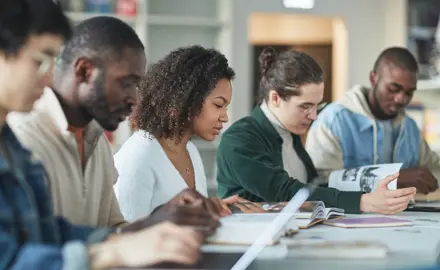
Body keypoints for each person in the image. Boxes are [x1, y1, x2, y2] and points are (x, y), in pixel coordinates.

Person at [0, 0, 204, 269]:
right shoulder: (25, 134)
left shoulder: (14, 148)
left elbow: (51, 233)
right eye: (40, 61)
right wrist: (108, 254)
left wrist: (152, 229)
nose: (50, 77)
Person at [216, 47, 416, 215]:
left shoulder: (290, 134)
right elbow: (285, 191)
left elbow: (314, 188)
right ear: (275, 98)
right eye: (305, 106)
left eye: (317, 106)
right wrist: (363, 202)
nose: (314, 116)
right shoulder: (239, 139)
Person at [114, 45, 236, 220]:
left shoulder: (191, 151)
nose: (224, 117)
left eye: (226, 107)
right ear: (187, 99)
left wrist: (218, 209)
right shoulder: (138, 158)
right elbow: (127, 235)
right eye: (218, 105)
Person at [305, 47, 439, 195]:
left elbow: (434, 167)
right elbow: (319, 184)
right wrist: (393, 179)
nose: (401, 98)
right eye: (393, 89)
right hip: (346, 217)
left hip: (406, 217)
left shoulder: (409, 127)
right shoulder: (333, 121)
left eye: (409, 92)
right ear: (373, 78)